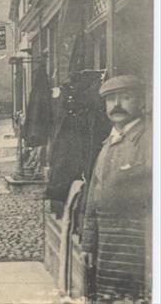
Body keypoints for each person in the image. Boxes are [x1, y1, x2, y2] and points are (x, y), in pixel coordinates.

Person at [81, 75, 151, 303]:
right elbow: (93, 197)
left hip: (138, 246)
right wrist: (89, 244)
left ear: (141, 102)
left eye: (126, 98)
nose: (117, 105)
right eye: (111, 100)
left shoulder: (149, 140)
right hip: (107, 246)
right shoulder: (107, 144)